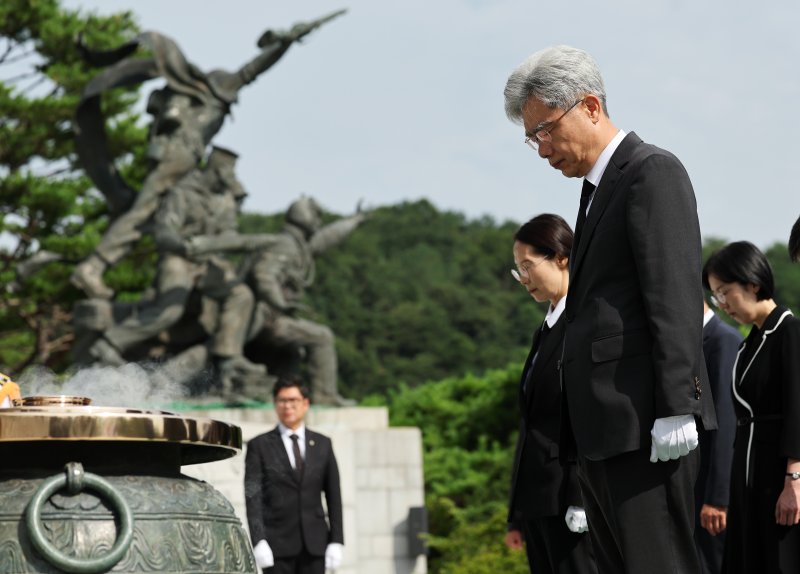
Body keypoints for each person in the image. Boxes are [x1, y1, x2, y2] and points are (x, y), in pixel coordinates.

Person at [504, 45, 716, 574]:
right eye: (532, 137)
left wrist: (675, 404)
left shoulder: (651, 172)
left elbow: (673, 295)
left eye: (546, 130)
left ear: (590, 106)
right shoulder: (595, 190)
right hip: (603, 431)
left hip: (645, 423)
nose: (541, 148)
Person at [504, 214, 597, 574]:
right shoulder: (545, 331)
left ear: (561, 257)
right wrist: (516, 513)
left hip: (569, 498)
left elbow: (586, 416)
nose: (524, 279)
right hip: (539, 500)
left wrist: (580, 496)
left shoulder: (585, 323)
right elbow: (531, 425)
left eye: (528, 266)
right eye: (518, 270)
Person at [702, 241, 800, 574]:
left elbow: (797, 411)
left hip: (778, 482)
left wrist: (794, 481)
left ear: (752, 283)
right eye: (716, 295)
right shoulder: (749, 343)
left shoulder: (789, 333)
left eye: (726, 291)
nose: (722, 303)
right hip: (747, 483)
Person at [242, 197, 365, 406]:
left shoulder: (296, 245)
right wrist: (279, 302)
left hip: (269, 317)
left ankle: (284, 395)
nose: (318, 223)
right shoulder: (286, 246)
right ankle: (325, 395)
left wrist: (354, 221)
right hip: (269, 320)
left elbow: (327, 238)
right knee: (322, 337)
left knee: (295, 351)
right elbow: (264, 275)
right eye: (316, 217)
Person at [244, 376, 344, 574]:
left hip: (315, 545)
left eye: (293, 400)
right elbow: (253, 498)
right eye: (282, 400)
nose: (287, 406)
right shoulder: (260, 445)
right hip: (276, 546)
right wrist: (258, 540)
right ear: (275, 404)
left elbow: (334, 496)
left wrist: (337, 540)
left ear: (305, 404)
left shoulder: (323, 444)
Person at [695, 300, 741, 574]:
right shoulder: (695, 341)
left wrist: (717, 498)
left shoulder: (723, 341)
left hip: (711, 495)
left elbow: (726, 425)